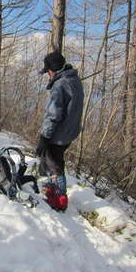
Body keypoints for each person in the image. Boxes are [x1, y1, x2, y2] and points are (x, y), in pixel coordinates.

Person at [36, 51, 84, 212]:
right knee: (57, 160)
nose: (47, 73)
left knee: (54, 164)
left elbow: (53, 115)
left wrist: (44, 136)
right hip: (70, 131)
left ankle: (60, 199)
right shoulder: (74, 79)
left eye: (48, 70)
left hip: (59, 133)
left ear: (53, 69)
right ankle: (52, 188)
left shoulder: (60, 85)